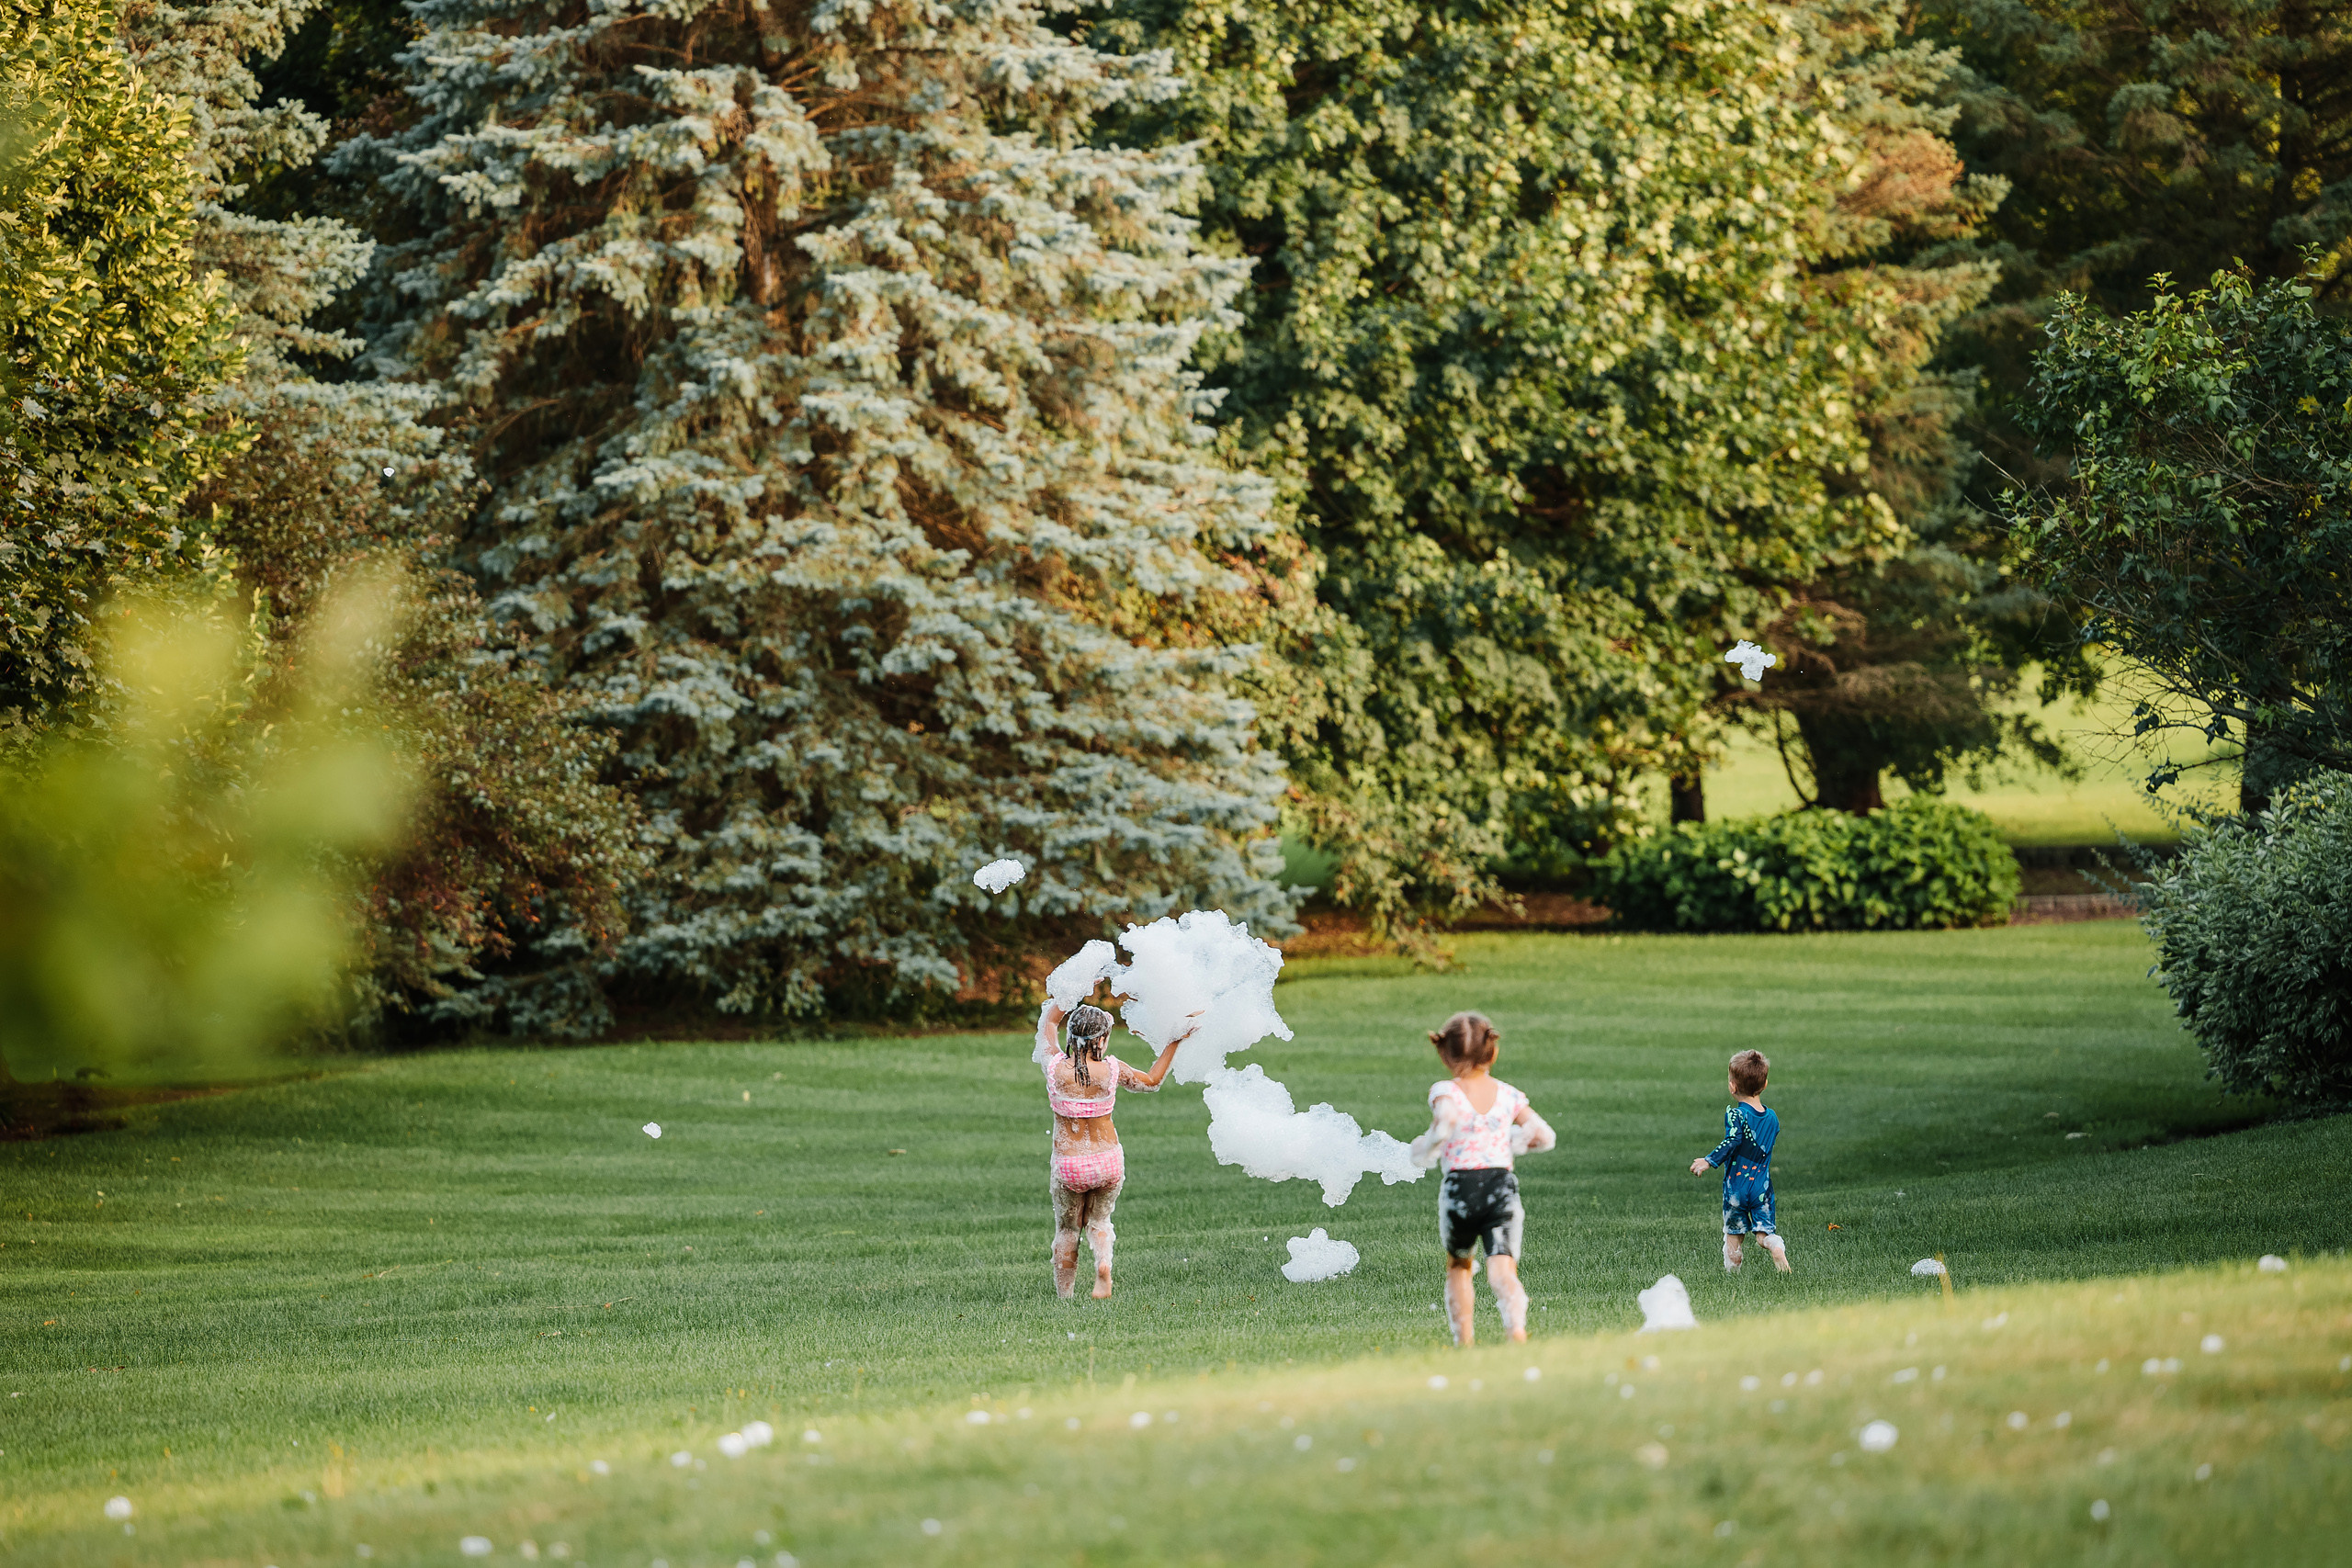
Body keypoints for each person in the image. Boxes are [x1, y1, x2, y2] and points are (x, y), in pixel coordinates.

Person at [1408, 1010, 1556, 1346]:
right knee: (1502, 1268)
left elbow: (1444, 1122)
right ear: (1493, 1051)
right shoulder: (1508, 1095)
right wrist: (1510, 1145)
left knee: (1460, 1266)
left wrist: (1424, 1150)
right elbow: (1545, 1136)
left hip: (1461, 1188)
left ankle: (1465, 1341)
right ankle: (1516, 1328)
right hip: (1500, 1186)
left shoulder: (1446, 1090)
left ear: (1445, 1054)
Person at [1035, 998, 1195, 1300]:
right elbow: (1152, 1081)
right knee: (1098, 1220)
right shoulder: (1112, 1070)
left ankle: (1065, 1298)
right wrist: (1173, 1040)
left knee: (1068, 1229)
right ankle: (1103, 1266)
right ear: (1103, 1039)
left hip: (1070, 1166)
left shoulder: (1053, 1066)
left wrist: (1073, 988)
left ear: (1071, 1036)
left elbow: (1048, 1022)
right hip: (1107, 1162)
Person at [1690, 1048, 1790, 1272]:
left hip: (1737, 1187)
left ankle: (1732, 1276)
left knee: (1734, 1235)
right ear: (1764, 1085)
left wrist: (1709, 1160)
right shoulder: (1772, 1117)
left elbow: (1733, 1140)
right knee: (1764, 1234)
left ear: (1733, 1087)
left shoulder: (1736, 1115)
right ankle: (1774, 1245)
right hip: (1762, 1187)